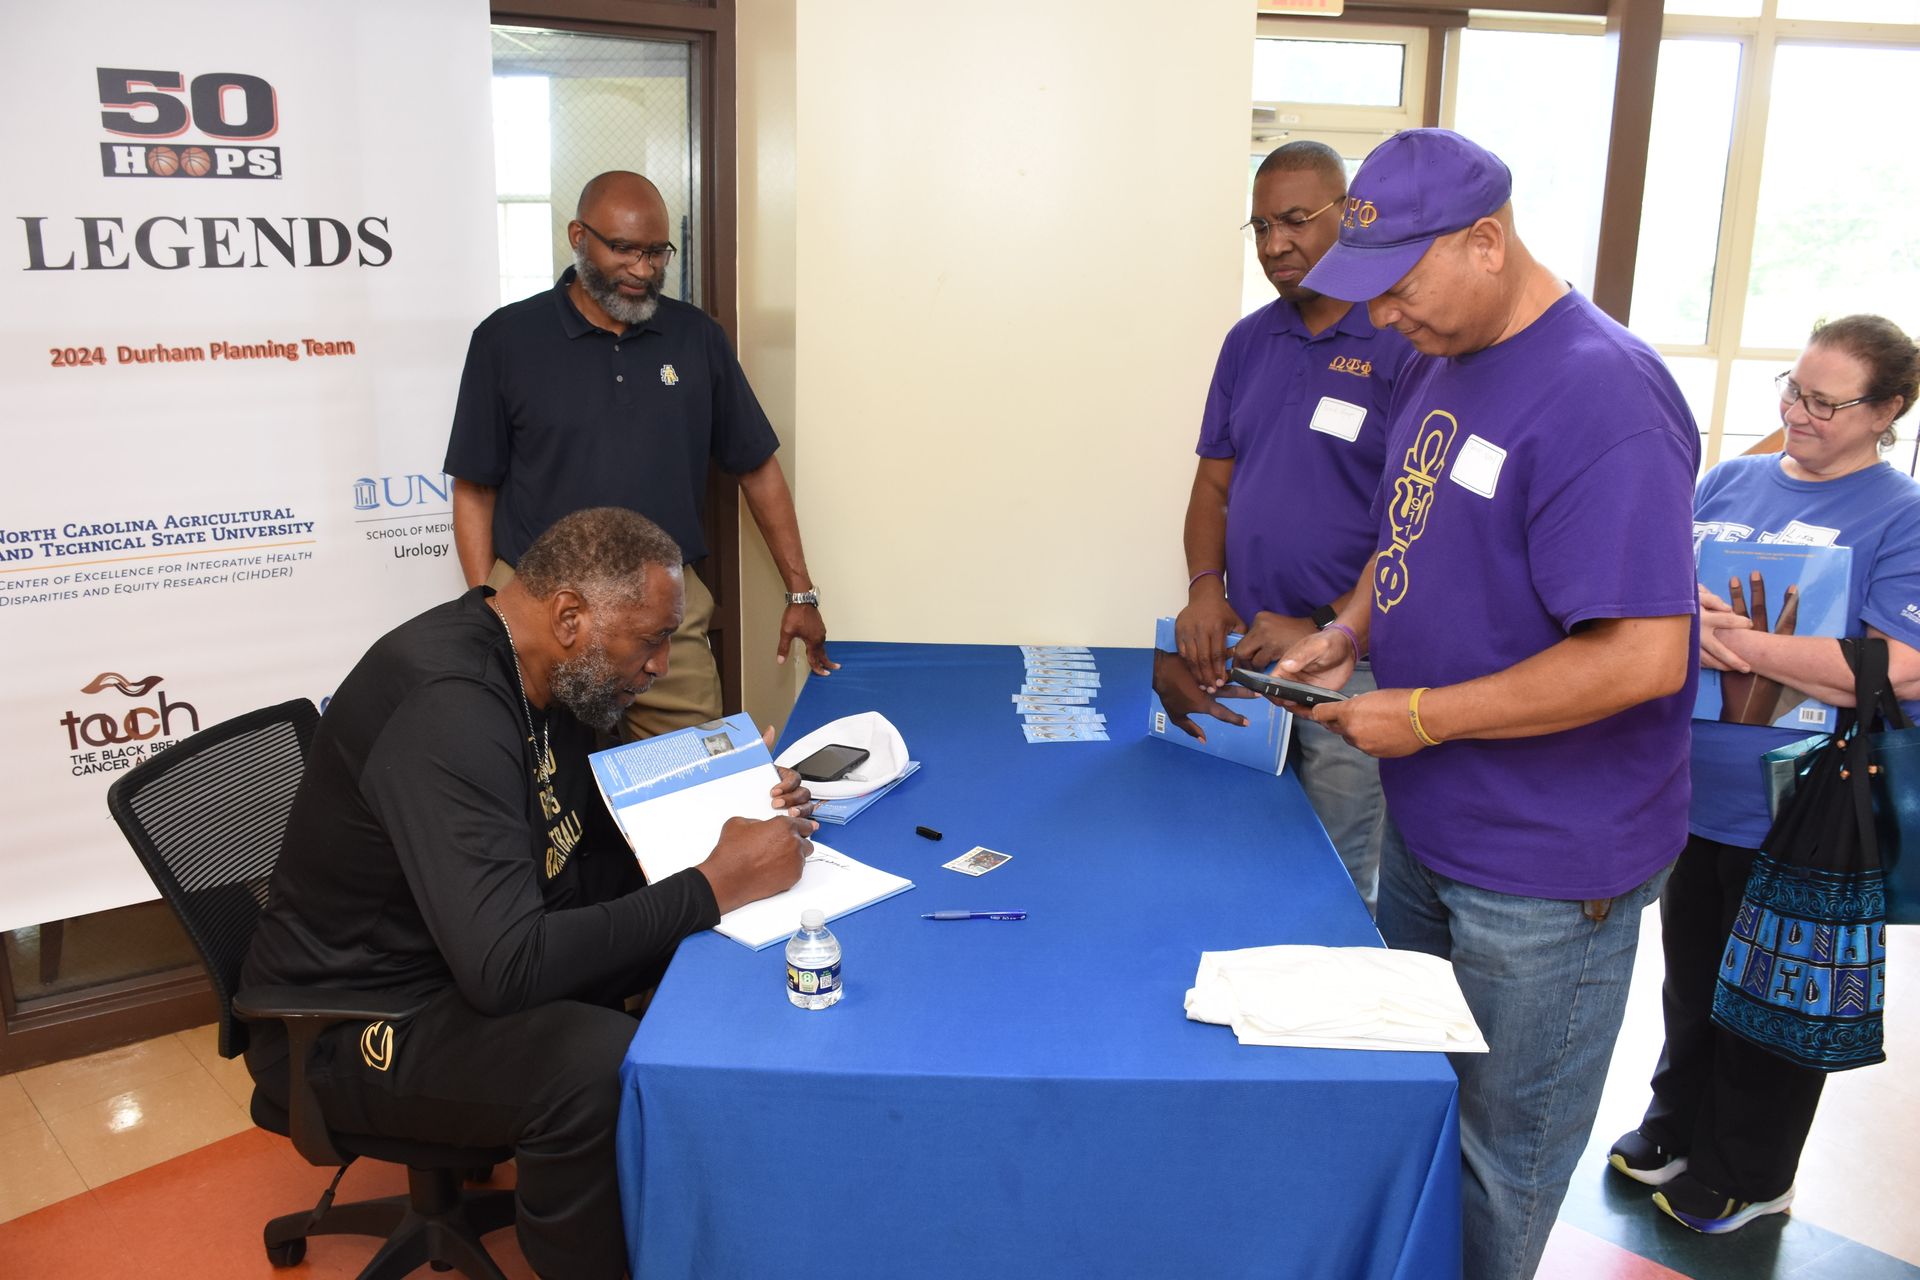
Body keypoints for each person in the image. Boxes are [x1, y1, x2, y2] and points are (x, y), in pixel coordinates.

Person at [1268, 129, 1701, 1280]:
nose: (1387, 317)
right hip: (1434, 825)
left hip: (1548, 869)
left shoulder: (1603, 394)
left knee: (1497, 1166)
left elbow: (1643, 659)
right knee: (1411, 1112)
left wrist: (1415, 715)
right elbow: (1405, 520)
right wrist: (1350, 632)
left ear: (1487, 241)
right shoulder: (1440, 351)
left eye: (1401, 287)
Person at [241, 506, 817, 1279]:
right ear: (571, 615)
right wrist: (717, 882)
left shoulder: (559, 675)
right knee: (590, 1068)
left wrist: (733, 800)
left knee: (686, 944)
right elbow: (508, 967)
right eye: (648, 641)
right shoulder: (448, 707)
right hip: (355, 1019)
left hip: (458, 954)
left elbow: (610, 827)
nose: (659, 666)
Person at [1609, 315, 1920, 1234]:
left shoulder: (1900, 514)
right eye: (1793, 390)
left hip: (1810, 805)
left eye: (1828, 403)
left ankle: (1752, 1170)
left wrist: (1743, 642)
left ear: (1888, 411)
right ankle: (1676, 1127)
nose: (1800, 413)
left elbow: (1900, 664)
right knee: (1692, 978)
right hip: (1691, 788)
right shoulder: (1731, 479)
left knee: (1779, 996)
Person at [445, 170, 836, 742]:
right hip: (548, 620)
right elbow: (475, 487)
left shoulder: (696, 338)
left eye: (656, 252)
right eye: (624, 248)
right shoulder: (506, 340)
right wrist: (487, 609)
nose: (643, 269)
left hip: (664, 623)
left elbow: (757, 466)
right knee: (544, 795)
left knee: (700, 780)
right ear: (579, 236)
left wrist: (800, 591)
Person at [1169, 139, 1414, 909]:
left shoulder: (1402, 342)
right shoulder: (1248, 343)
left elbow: (1420, 527)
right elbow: (1213, 484)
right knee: (1237, 851)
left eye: (1296, 220)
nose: (1276, 244)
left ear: (1348, 215)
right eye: (1261, 227)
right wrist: (1206, 589)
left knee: (1333, 884)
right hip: (1248, 661)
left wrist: (1320, 621)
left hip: (1357, 667)